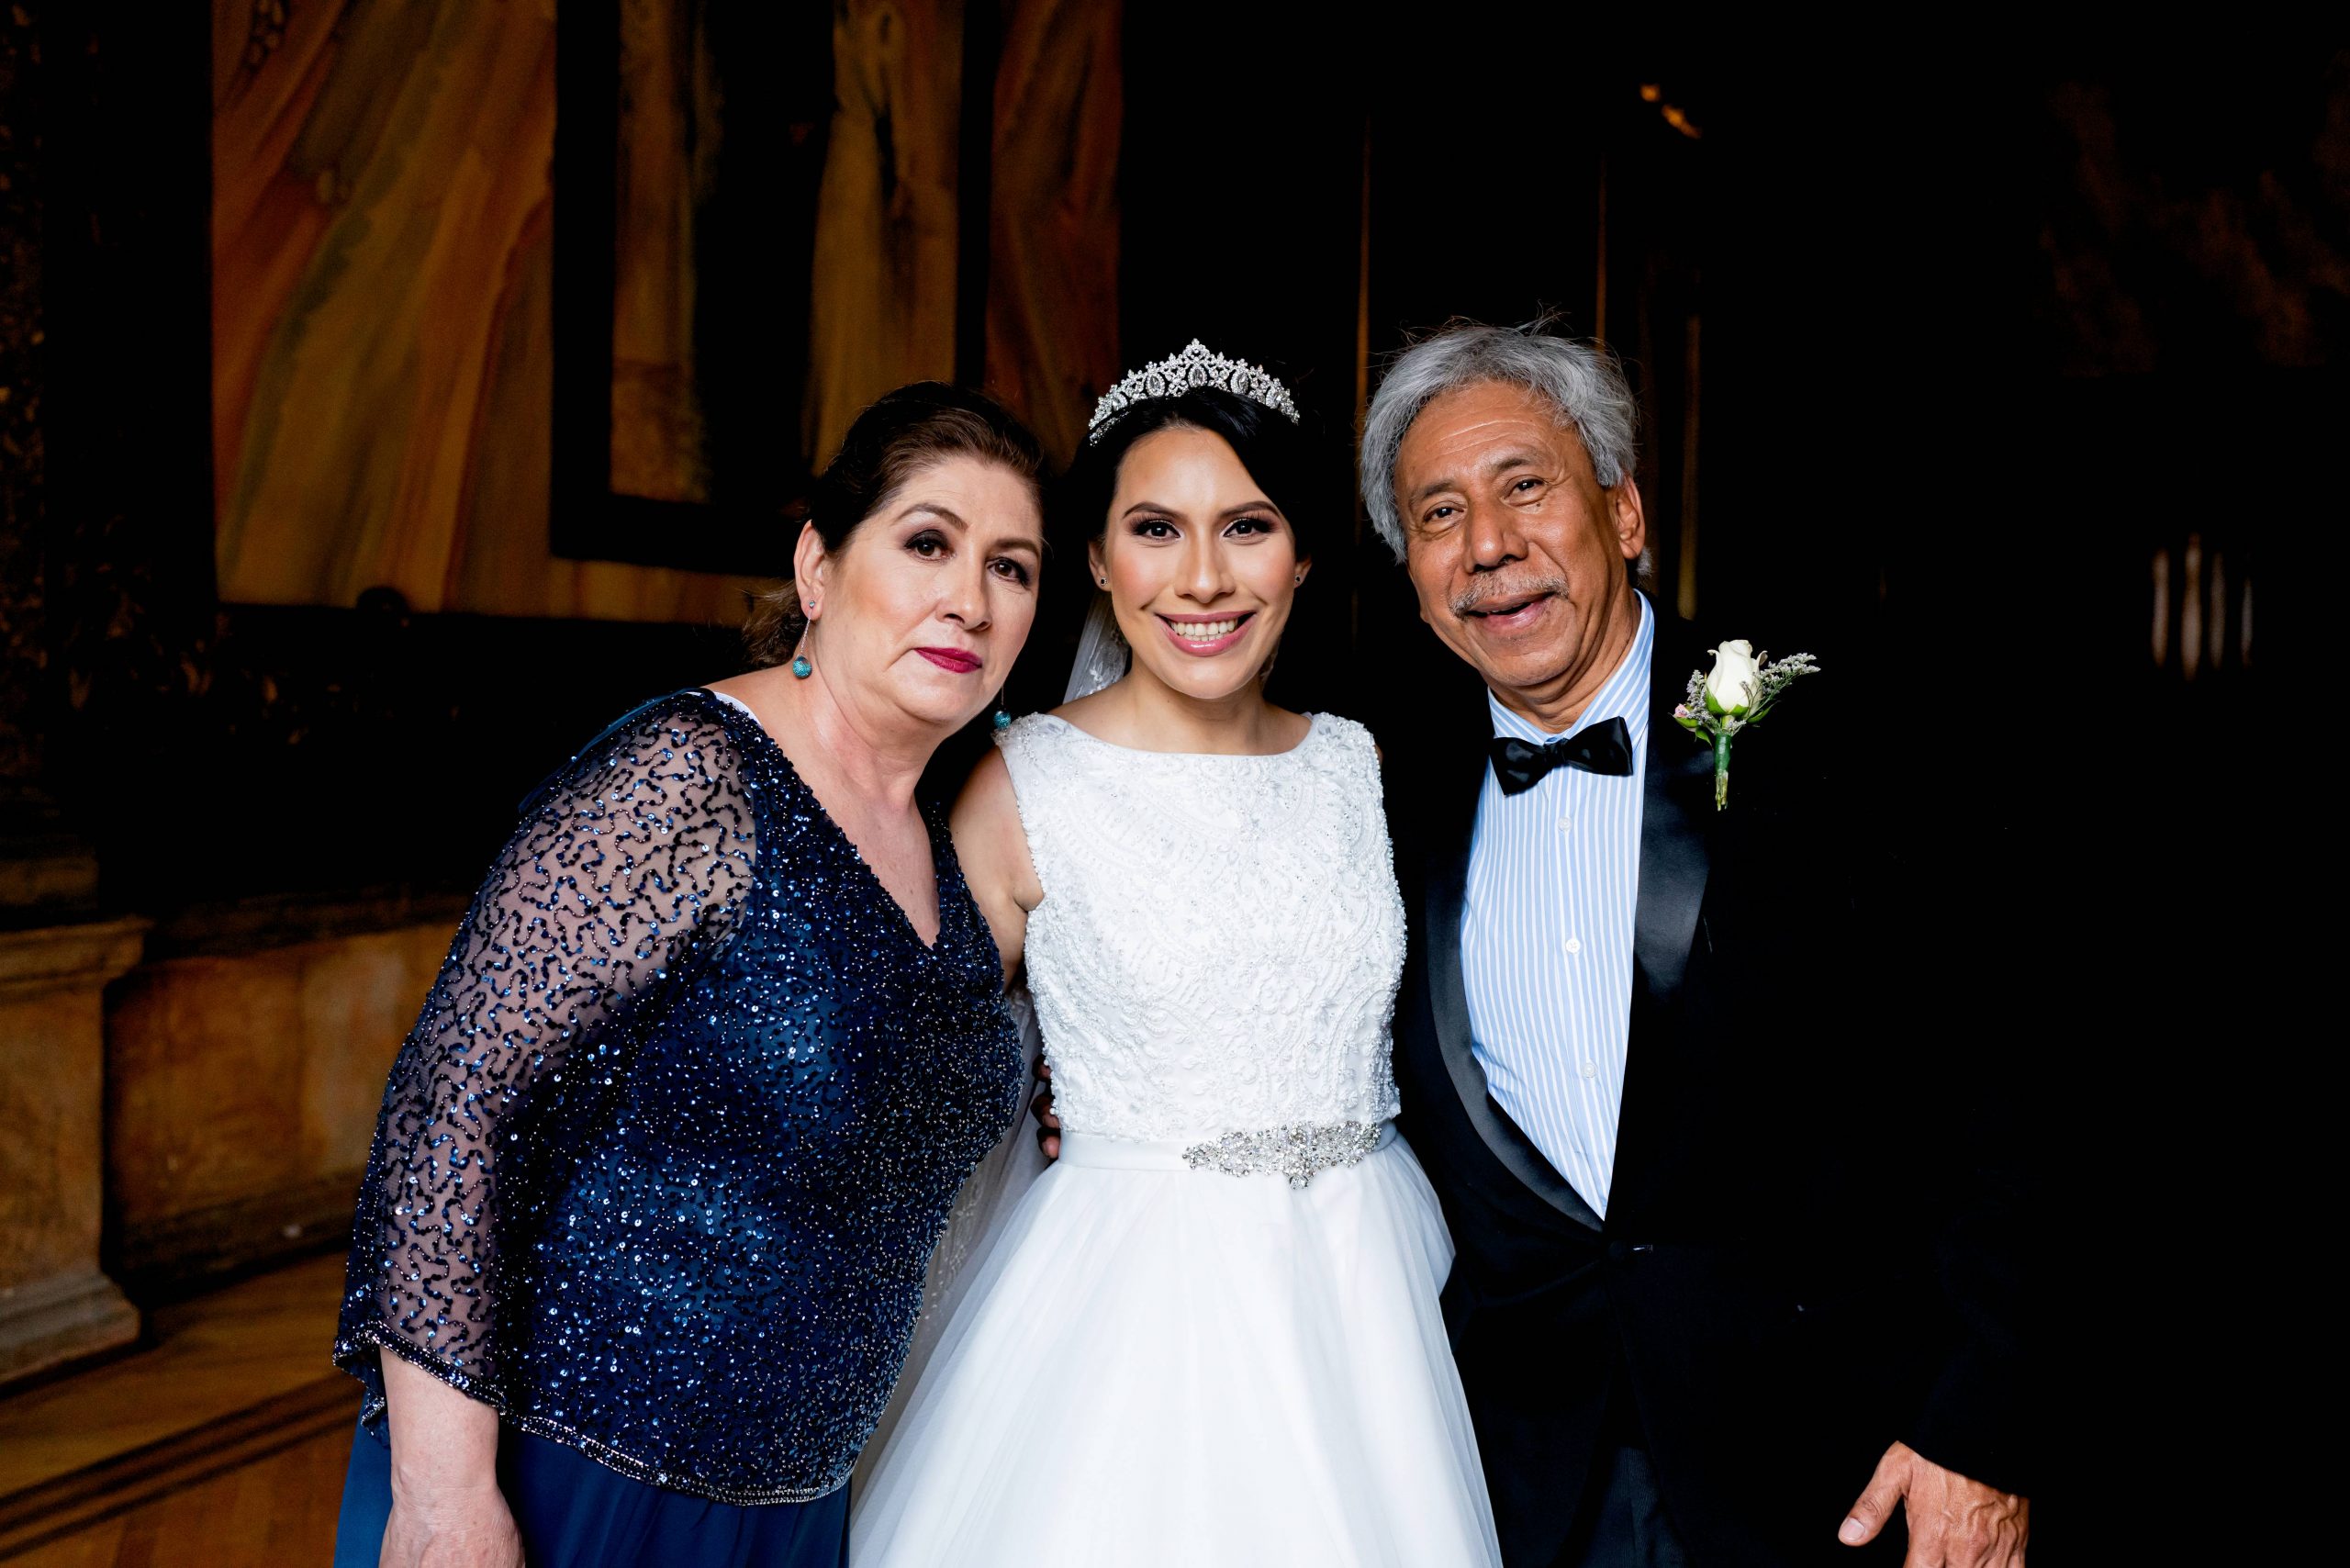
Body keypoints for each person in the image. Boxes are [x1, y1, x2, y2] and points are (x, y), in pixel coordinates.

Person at [329, 383, 1048, 1568]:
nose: (969, 599)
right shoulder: (692, 777)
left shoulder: (954, 834)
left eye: (1010, 568)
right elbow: (453, 1107)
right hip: (576, 1473)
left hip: (796, 1502)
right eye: (928, 543)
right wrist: (445, 1493)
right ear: (818, 567)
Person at [1360, 321, 2033, 1567]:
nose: (1488, 544)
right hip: (1521, 1485)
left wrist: (1983, 1426)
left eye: (1525, 486)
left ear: (1623, 513)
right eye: (1439, 514)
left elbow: (2017, 1087)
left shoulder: (1846, 747)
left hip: (1836, 1474)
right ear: (1411, 571)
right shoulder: (1380, 806)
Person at [849, 343, 1505, 1566]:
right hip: (1131, 1311)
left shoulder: (1362, 767)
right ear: (1098, 559)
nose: (1204, 577)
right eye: (1156, 529)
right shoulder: (1020, 785)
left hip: (1375, 1288)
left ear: (1301, 553)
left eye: (1247, 527)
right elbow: (921, 1090)